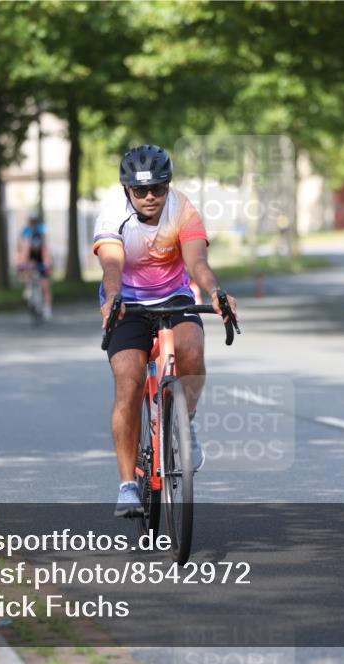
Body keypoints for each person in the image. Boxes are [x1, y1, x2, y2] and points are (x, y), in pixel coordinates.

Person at [93, 144, 238, 518]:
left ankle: (183, 423)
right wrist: (113, 297)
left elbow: (197, 262)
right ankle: (128, 485)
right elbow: (112, 265)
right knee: (129, 381)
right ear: (127, 189)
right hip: (127, 302)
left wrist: (215, 292)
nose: (149, 196)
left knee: (192, 351)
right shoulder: (112, 214)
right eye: (140, 190)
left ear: (167, 186)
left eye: (157, 187)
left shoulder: (182, 209)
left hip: (174, 296)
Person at [15, 213, 54, 319]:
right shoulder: (27, 240)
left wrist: (48, 266)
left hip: (41, 259)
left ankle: (47, 308)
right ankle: (28, 288)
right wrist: (21, 265)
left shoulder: (42, 238)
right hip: (31, 259)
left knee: (45, 285)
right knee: (28, 271)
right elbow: (24, 256)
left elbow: (47, 257)